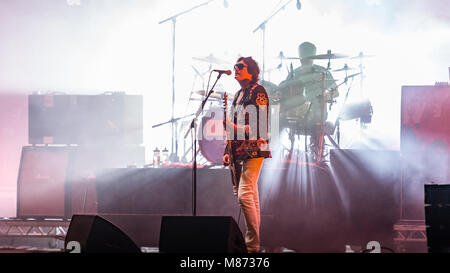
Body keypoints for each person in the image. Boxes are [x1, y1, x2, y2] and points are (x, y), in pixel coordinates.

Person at [222, 56, 271, 253]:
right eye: (235, 66)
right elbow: (232, 130)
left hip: (254, 148)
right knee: (247, 195)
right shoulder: (237, 95)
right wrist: (227, 150)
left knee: (244, 195)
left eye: (240, 66)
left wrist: (232, 126)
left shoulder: (258, 91)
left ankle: (252, 248)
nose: (236, 69)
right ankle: (255, 246)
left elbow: (260, 126)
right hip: (238, 151)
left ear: (251, 71)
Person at [278, 41, 339, 158]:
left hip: (317, 113)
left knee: (316, 125)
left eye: (306, 59)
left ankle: (316, 152)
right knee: (276, 118)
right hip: (297, 114)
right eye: (302, 59)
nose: (303, 61)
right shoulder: (293, 73)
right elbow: (284, 94)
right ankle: (278, 155)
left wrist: (325, 96)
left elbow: (335, 92)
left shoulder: (323, 72)